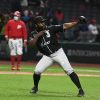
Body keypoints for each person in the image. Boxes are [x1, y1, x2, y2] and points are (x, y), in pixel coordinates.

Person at [29, 16, 86, 96]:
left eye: (43, 21)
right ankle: (35, 87)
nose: (43, 23)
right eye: (41, 22)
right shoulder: (33, 34)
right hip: (47, 56)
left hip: (58, 53)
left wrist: (77, 22)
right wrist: (37, 35)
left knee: (69, 70)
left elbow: (65, 26)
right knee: (37, 71)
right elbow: (31, 44)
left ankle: (80, 90)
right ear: (36, 24)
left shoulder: (51, 28)